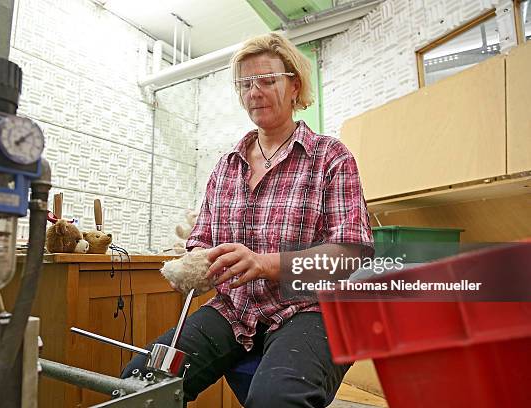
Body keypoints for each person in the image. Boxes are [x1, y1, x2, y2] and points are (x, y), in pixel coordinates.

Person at [122, 32, 373, 407]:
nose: (254, 92)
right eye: (244, 84)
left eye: (267, 80)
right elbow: (201, 241)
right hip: (234, 307)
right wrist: (193, 264)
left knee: (277, 399)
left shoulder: (331, 157)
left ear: (294, 86)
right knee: (138, 385)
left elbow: (350, 255)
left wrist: (263, 264)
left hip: (309, 307)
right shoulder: (226, 166)